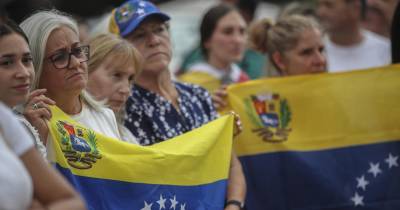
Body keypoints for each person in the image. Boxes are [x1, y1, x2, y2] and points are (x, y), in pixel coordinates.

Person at [109, 1, 246, 209]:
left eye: (159, 29)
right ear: (121, 48)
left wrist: (234, 205)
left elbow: (231, 162)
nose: (154, 40)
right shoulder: (121, 106)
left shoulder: (198, 95)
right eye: (139, 35)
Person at [0, 18, 86, 210]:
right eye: (6, 63)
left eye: (26, 60)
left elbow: (72, 201)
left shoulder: (8, 121)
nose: (23, 72)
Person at [20, 10, 122, 147]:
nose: (75, 63)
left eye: (77, 51)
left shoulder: (105, 115)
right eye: (59, 57)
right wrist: (36, 135)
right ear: (35, 68)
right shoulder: (25, 124)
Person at [86, 33, 142, 143]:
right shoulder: (66, 128)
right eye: (117, 75)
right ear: (85, 70)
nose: (126, 90)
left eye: (130, 79)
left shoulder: (125, 135)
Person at [183, 4, 250, 90]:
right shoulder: (188, 86)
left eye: (242, 31)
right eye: (227, 32)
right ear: (207, 40)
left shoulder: (245, 81)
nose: (238, 40)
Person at [317, 0, 391, 72]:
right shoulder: (314, 54)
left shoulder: (386, 50)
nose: (321, 12)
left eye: (329, 5)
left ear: (355, 7)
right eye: (319, 5)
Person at [249, 15, 327, 75]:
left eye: (321, 50)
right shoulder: (263, 95)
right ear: (280, 60)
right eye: (306, 52)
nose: (320, 60)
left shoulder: (334, 92)